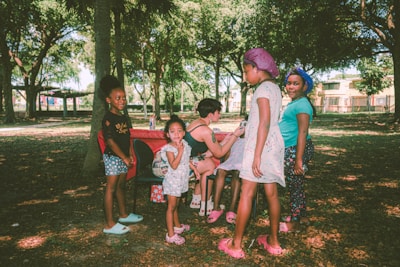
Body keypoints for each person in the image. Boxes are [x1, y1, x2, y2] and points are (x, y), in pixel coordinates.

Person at [218, 48, 285, 258]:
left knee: (246, 193)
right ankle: (273, 242)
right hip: (273, 147)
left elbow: (263, 123)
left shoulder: (262, 89)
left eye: (247, 71)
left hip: (260, 147)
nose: (246, 76)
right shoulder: (275, 88)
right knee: (271, 194)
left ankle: (236, 245)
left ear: (257, 68)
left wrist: (257, 155)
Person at [185, 98, 245, 216]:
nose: (220, 115)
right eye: (218, 112)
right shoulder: (206, 130)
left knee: (206, 161)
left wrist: (225, 141)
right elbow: (219, 154)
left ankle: (196, 200)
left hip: (186, 161)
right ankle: (205, 205)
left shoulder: (196, 123)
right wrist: (235, 136)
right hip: (182, 166)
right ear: (211, 114)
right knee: (210, 165)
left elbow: (208, 153)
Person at [101, 75, 143, 235]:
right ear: (108, 100)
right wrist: (123, 157)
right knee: (111, 188)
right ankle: (110, 224)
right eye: (118, 98)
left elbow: (127, 137)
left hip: (124, 157)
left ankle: (124, 215)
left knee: (121, 186)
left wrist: (130, 154)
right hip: (113, 157)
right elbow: (110, 142)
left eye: (124, 98)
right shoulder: (108, 118)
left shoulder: (123, 117)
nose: (122, 101)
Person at [278, 68, 315, 233]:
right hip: (291, 148)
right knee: (296, 184)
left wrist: (298, 160)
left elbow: (302, 132)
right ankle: (303, 216)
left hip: (295, 149)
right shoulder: (295, 103)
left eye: (295, 83)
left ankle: (295, 222)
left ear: (304, 86)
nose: (291, 87)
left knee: (295, 185)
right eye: (289, 83)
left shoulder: (302, 105)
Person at [161, 115, 200, 245]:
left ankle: (177, 226)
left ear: (183, 133)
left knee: (176, 205)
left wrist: (194, 170)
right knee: (171, 207)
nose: (176, 134)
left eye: (179, 131)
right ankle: (171, 234)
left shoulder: (185, 145)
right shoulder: (169, 149)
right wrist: (180, 151)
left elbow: (186, 160)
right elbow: (174, 165)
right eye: (172, 131)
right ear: (168, 134)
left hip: (181, 180)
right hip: (172, 182)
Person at [207, 132, 245, 224]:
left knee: (237, 173)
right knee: (220, 170)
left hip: (244, 164)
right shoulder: (235, 138)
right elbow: (227, 152)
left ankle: (232, 209)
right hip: (231, 161)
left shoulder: (254, 139)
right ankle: (216, 208)